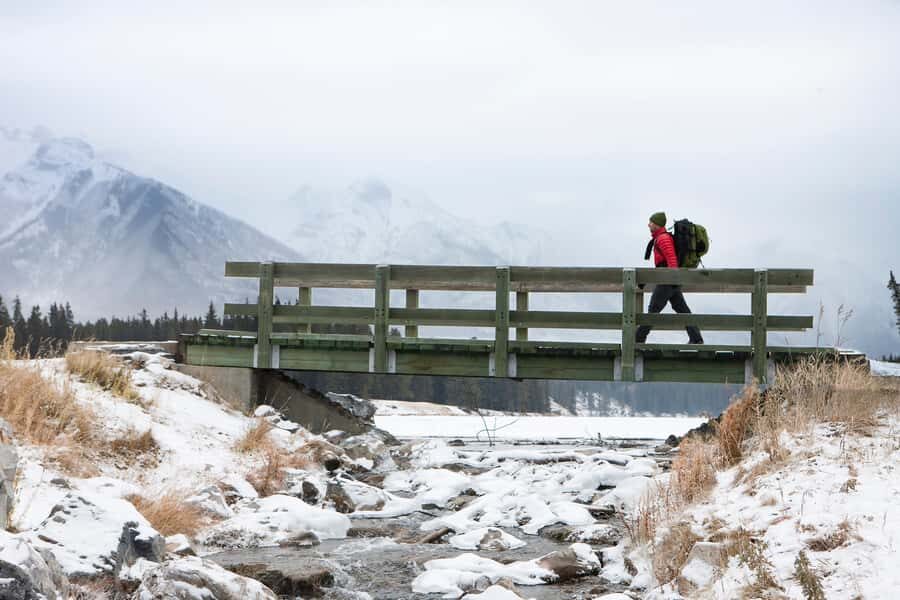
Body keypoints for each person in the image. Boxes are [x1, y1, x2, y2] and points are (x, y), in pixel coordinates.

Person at [635, 212, 704, 344]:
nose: (648, 224)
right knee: (683, 310)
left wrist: (672, 280)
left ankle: (637, 339)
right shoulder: (661, 237)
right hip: (671, 280)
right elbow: (663, 264)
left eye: (651, 222)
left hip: (668, 280)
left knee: (653, 310)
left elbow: (671, 260)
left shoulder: (663, 239)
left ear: (657, 224)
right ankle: (696, 338)